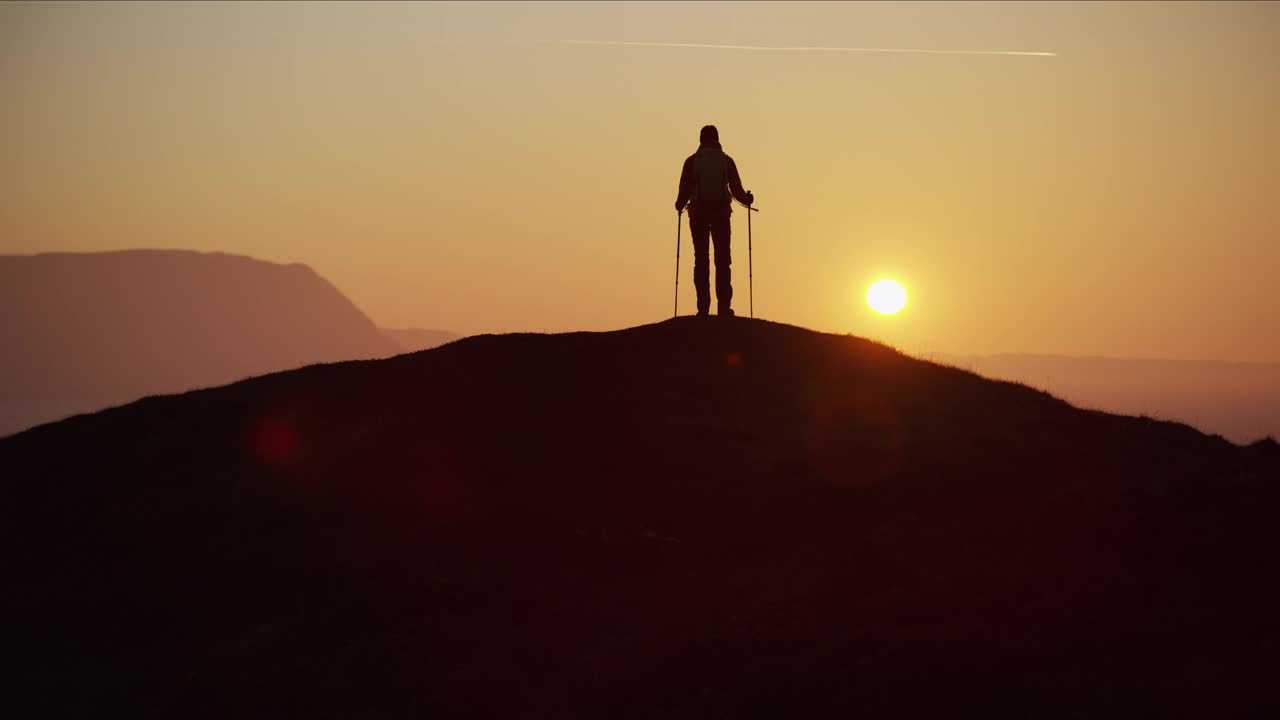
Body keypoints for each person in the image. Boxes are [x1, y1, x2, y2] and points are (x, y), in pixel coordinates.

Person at [674, 125, 754, 317]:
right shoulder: (726, 161)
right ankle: (724, 308)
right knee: (723, 261)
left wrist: (679, 204)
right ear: (717, 139)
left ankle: (703, 308)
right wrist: (748, 199)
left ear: (701, 139)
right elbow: (737, 189)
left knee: (701, 259)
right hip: (721, 215)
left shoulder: (692, 161)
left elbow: (683, 193)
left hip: (698, 215)